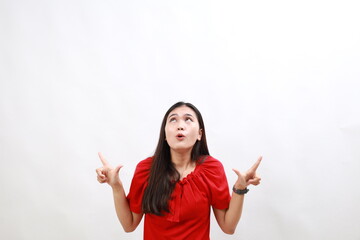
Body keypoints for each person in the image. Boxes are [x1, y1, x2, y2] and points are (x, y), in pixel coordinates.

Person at [96, 101, 262, 240]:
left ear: (199, 134)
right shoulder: (147, 169)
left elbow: (228, 227)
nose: (180, 126)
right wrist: (116, 185)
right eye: (173, 120)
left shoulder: (211, 169)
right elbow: (129, 225)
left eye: (188, 119)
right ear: (165, 134)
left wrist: (240, 188)